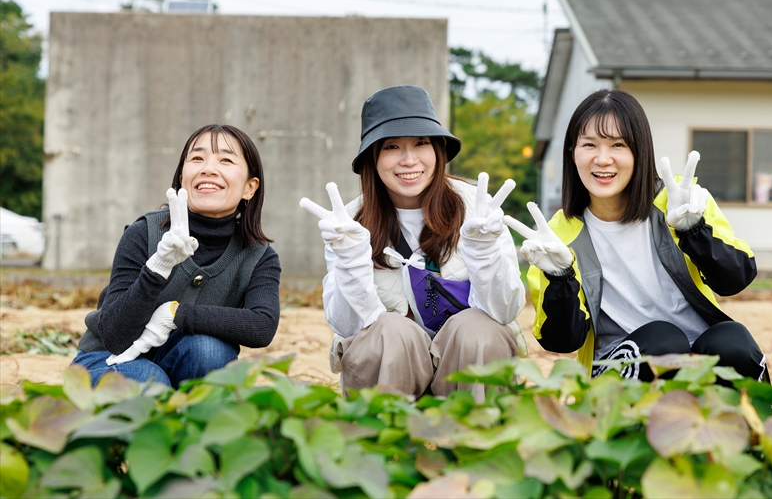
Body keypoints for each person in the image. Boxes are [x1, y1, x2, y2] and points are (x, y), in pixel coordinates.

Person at [504, 89, 766, 382]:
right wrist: (561, 278)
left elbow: (736, 279)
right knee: (662, 340)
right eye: (589, 144)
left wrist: (694, 231)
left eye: (618, 144)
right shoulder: (557, 236)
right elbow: (561, 341)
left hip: (698, 354)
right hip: (618, 367)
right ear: (572, 153)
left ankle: (748, 423)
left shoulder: (678, 200)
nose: (603, 159)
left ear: (639, 151)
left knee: (733, 341)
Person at [300, 85, 528, 401]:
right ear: (373, 158)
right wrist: (351, 259)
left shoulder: (478, 208)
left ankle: (478, 438)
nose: (409, 160)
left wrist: (485, 251)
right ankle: (385, 439)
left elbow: (503, 311)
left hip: (464, 369)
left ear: (438, 150)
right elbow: (348, 324)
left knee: (479, 328)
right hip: (393, 371)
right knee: (388, 331)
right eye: (392, 146)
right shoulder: (348, 221)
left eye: (421, 143)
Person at [72, 124, 281, 388]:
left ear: (250, 188)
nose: (208, 168)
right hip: (108, 359)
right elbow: (114, 336)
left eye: (226, 159)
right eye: (196, 158)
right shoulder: (143, 233)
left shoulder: (259, 256)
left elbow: (262, 325)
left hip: (184, 356)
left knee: (210, 352)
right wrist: (157, 268)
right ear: (182, 178)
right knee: (150, 383)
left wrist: (176, 314)